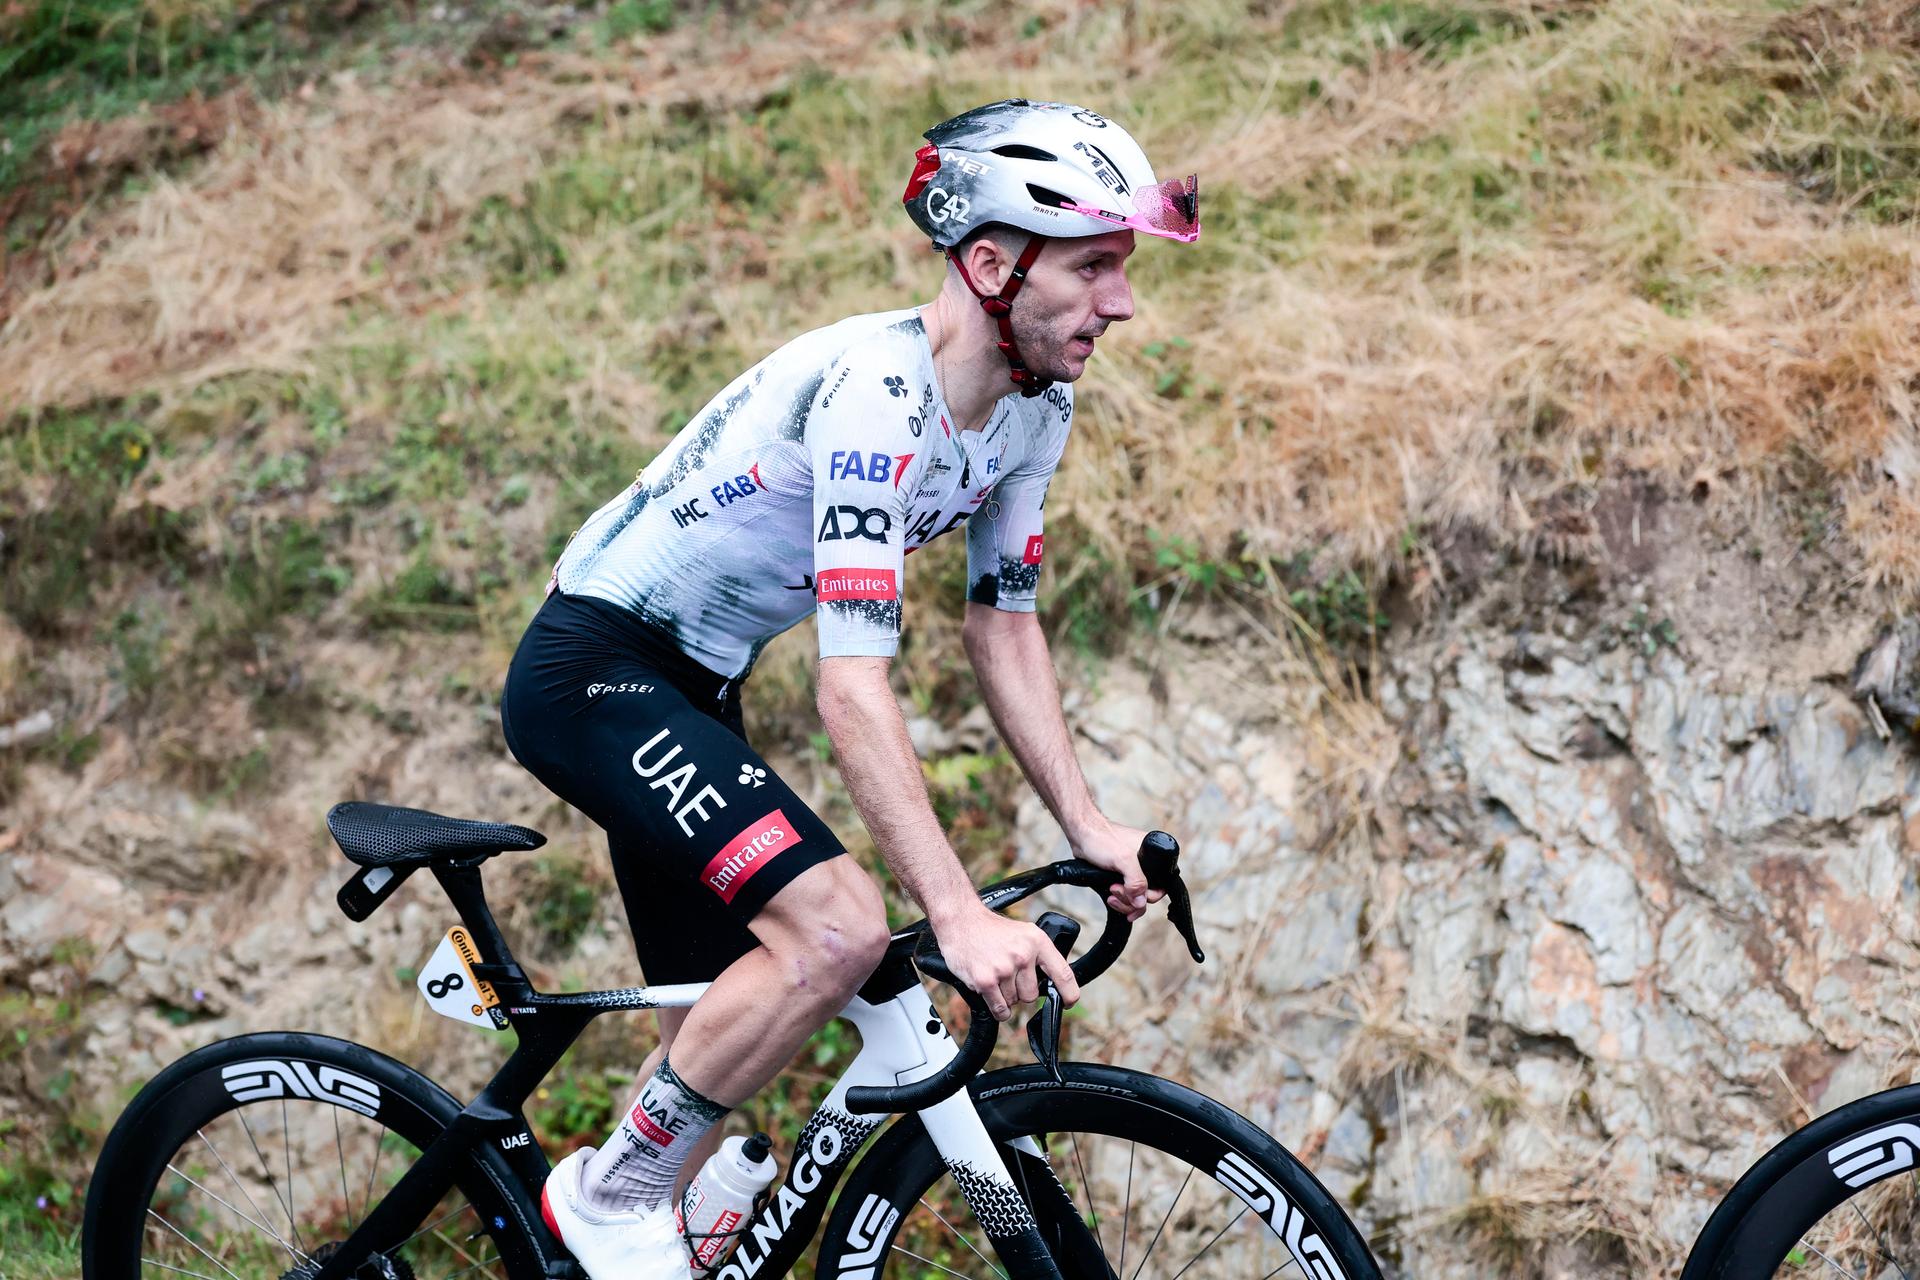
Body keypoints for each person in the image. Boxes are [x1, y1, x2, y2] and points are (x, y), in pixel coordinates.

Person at [499, 98, 1200, 1279]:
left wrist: (1092, 825)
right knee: (837, 927)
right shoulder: (880, 399)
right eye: (1093, 268)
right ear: (990, 263)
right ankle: (605, 1197)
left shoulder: (1035, 405)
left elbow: (1005, 627)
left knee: (714, 1045)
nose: (1121, 301)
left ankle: (628, 1220)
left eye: (1122, 269)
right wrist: (960, 908)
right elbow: (852, 685)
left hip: (696, 684)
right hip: (594, 672)